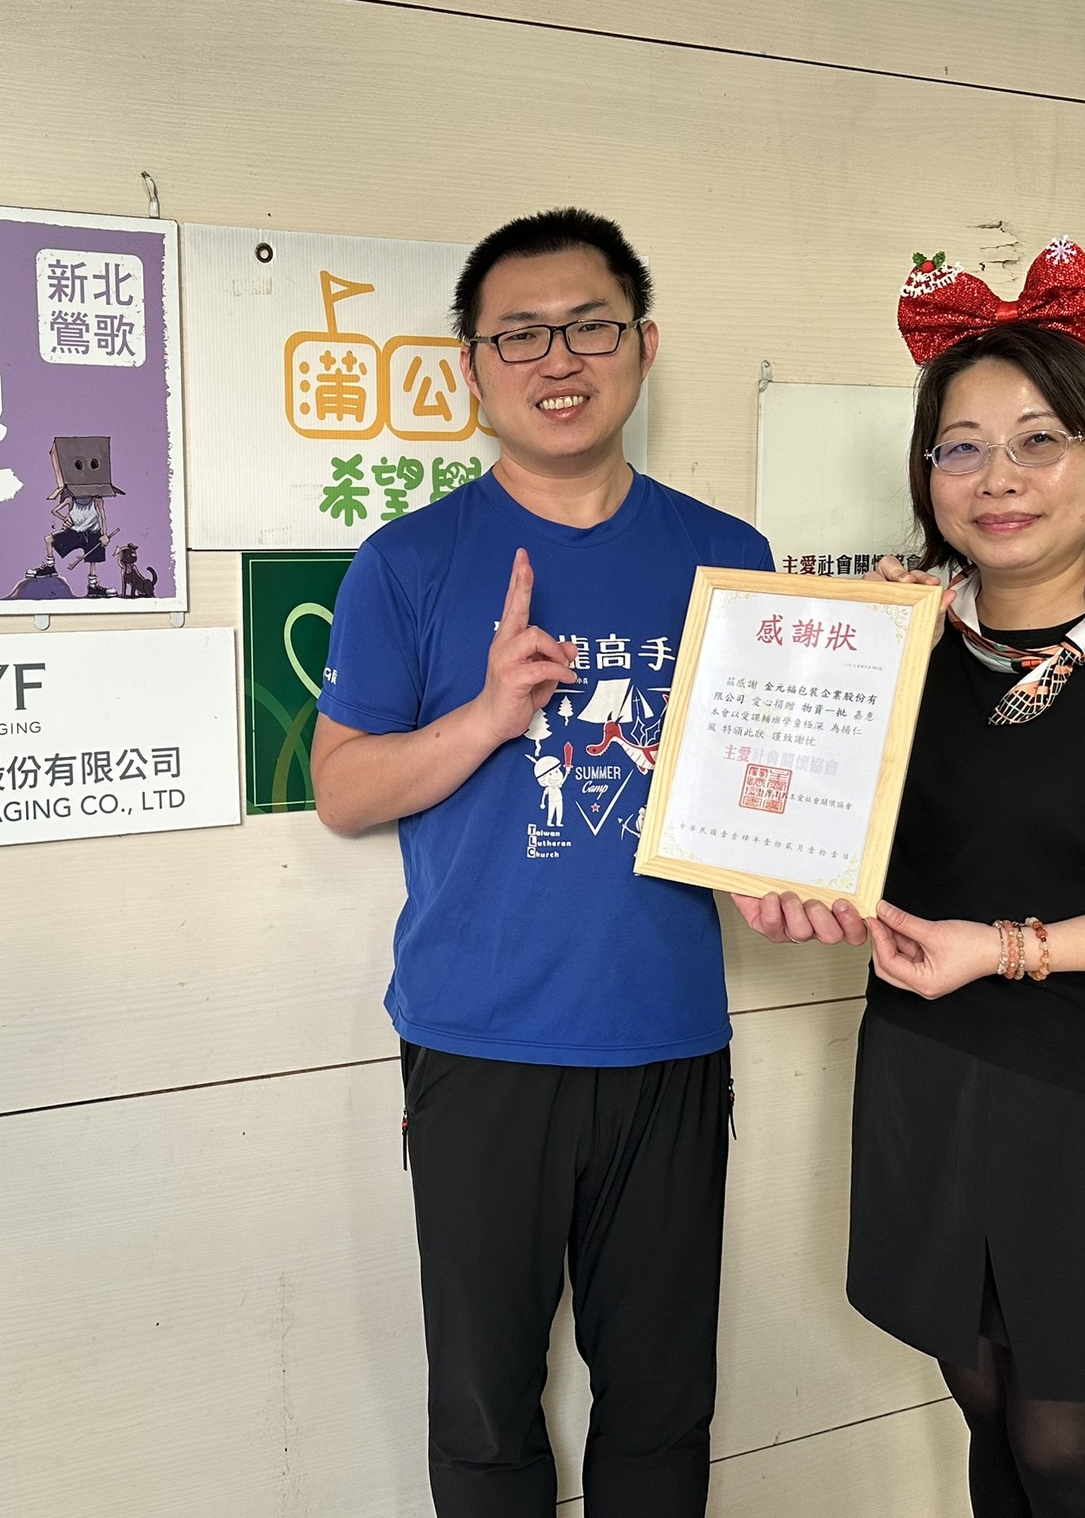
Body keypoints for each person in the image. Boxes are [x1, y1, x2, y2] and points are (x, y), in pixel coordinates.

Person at [734, 238, 1085, 1518]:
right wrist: (778, 877)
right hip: (933, 1084)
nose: (995, 477)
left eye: (1038, 441)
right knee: (989, 1415)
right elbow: (826, 844)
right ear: (924, 474)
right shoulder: (892, 649)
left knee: (1069, 1453)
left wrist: (1005, 947)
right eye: (959, 447)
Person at [313, 208, 772, 1517]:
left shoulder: (728, 557)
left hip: (667, 1037)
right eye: (519, 334)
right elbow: (341, 789)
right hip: (479, 1044)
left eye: (589, 326)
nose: (557, 359)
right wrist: (484, 718)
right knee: (482, 1411)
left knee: (663, 1405)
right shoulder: (409, 563)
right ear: (473, 366)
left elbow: (761, 795)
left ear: (643, 345)